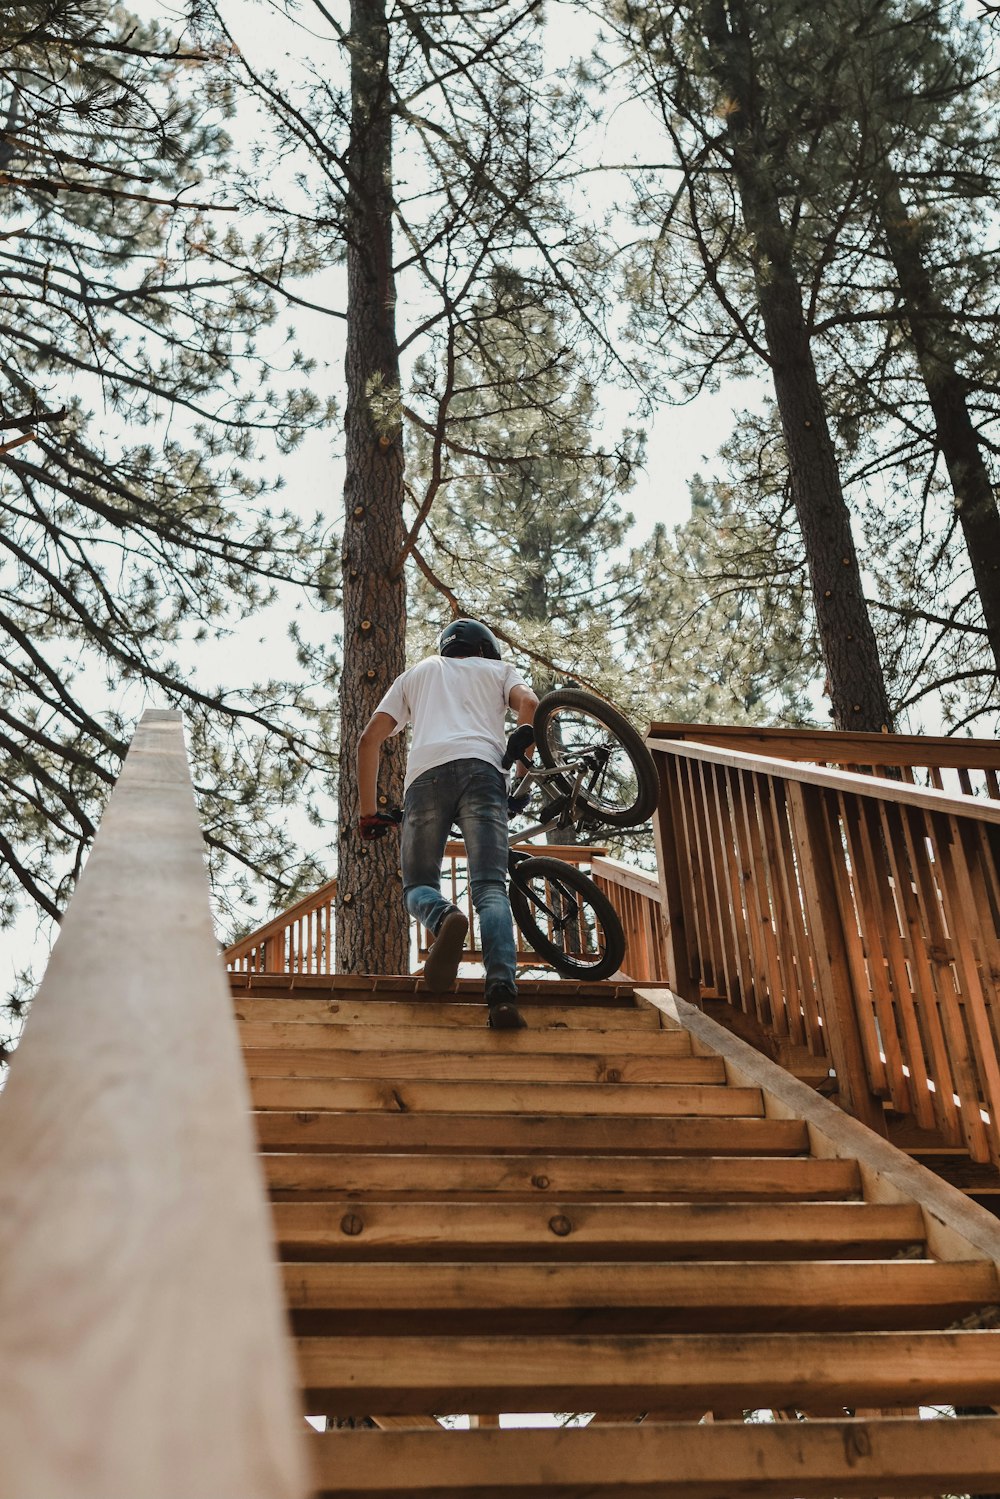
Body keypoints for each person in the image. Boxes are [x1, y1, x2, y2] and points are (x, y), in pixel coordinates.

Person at [356, 618, 539, 1029]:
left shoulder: (416, 674)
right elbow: (530, 704)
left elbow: (368, 739)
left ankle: (442, 917)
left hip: (426, 780)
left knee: (418, 887)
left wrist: (368, 812)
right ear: (485, 647)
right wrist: (523, 753)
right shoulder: (498, 671)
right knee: (490, 886)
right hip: (483, 773)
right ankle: (502, 995)